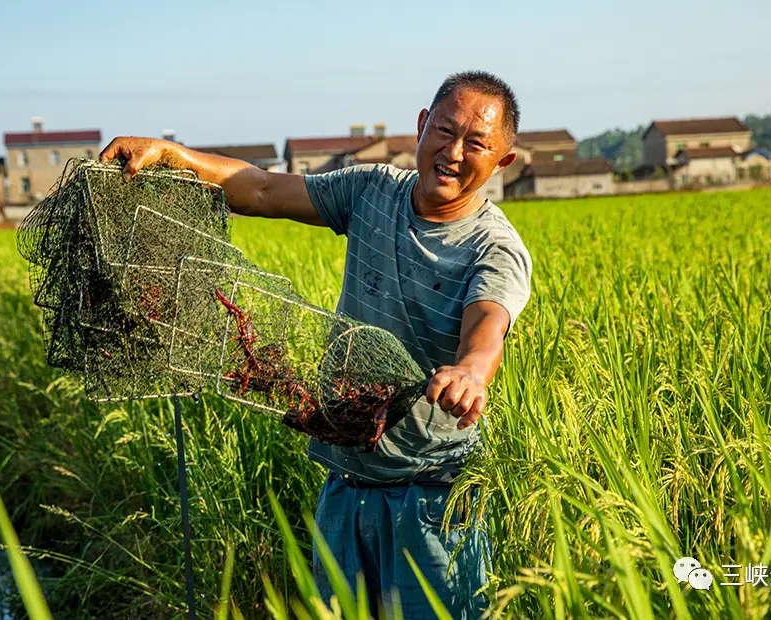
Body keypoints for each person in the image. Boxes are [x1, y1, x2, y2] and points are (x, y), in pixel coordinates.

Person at [99, 70, 532, 619]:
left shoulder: (495, 248)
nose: (453, 152)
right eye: (444, 131)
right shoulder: (373, 191)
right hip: (346, 477)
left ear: (502, 162)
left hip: (434, 498)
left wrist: (470, 372)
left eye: (477, 144)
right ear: (422, 127)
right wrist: (169, 154)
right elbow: (260, 189)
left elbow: (487, 326)